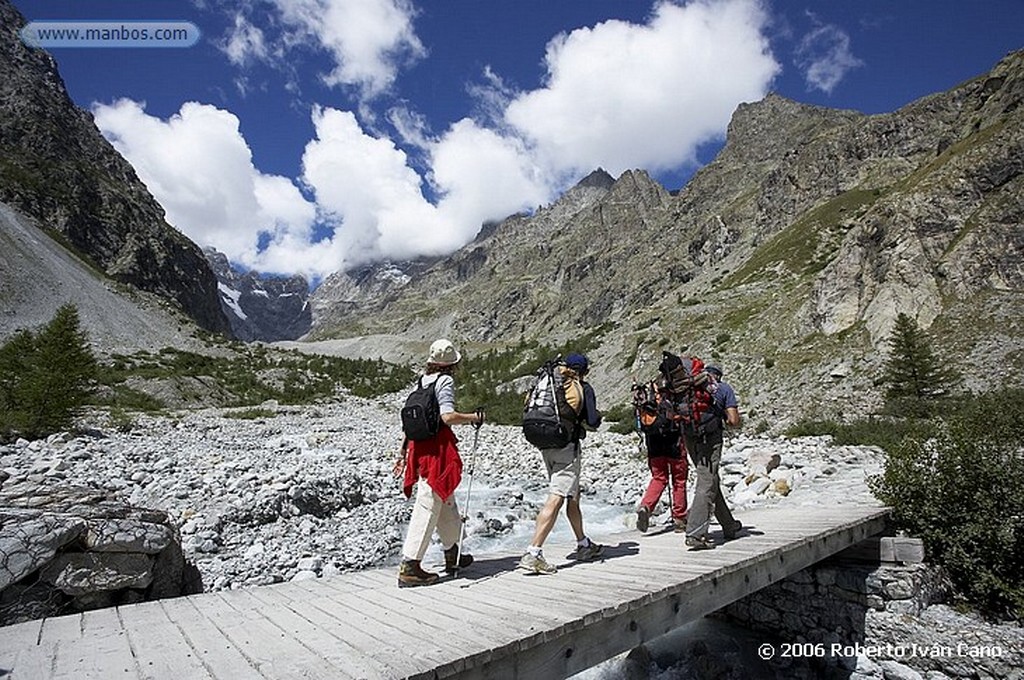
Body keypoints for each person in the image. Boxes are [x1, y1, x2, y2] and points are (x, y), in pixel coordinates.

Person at [394, 339, 485, 587]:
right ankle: (410, 565)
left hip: (419, 448)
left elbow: (410, 424)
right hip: (437, 450)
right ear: (452, 364)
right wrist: (473, 418)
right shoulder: (445, 381)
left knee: (445, 499)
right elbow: (447, 416)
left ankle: (452, 552)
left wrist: (402, 452)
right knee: (429, 500)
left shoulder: (422, 381)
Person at [518, 352, 604, 575]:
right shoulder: (582, 387)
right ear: (584, 371)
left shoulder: (549, 381)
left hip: (545, 444)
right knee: (557, 497)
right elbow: (593, 421)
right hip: (567, 447)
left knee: (572, 495)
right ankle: (533, 552)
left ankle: (583, 544)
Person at [682, 363, 743, 550]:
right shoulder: (723, 388)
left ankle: (729, 525)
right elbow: (733, 420)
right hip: (710, 438)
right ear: (720, 375)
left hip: (689, 435)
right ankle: (695, 533)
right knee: (706, 481)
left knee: (710, 478)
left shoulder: (688, 386)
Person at [635, 382, 688, 533]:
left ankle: (646, 506)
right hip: (674, 446)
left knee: (659, 478)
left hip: (654, 448)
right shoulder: (672, 401)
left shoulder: (647, 405)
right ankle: (679, 518)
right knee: (679, 480)